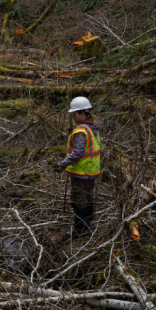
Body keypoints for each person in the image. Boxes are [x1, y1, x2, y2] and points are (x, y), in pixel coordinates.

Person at [54, 96, 101, 237]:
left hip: (81, 172)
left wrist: (62, 165)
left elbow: (77, 153)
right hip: (91, 170)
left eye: (74, 114)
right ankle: (87, 225)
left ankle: (80, 230)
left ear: (82, 113)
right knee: (87, 197)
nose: (73, 117)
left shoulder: (81, 131)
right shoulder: (93, 127)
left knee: (78, 200)